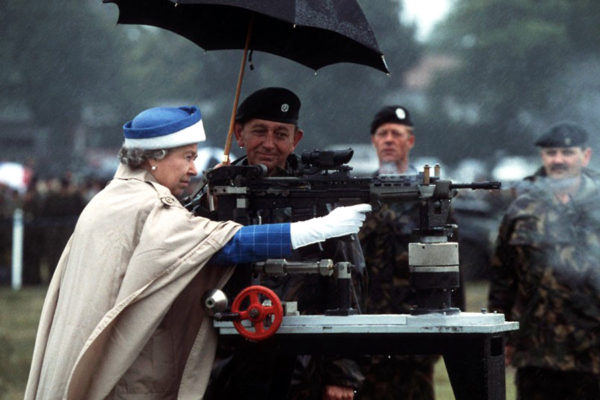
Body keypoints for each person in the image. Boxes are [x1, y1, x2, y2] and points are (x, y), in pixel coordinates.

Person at [24, 105, 371, 400]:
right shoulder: (148, 206)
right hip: (129, 370)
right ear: (154, 159)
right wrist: (320, 229)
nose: (194, 168)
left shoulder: (115, 198)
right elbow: (224, 244)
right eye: (187, 157)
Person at [205, 87, 364, 400]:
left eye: (280, 134)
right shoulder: (216, 192)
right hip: (227, 360)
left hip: (301, 365)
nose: (269, 144)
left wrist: (342, 373)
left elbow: (350, 280)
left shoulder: (316, 197)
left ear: (296, 140)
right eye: (259, 132)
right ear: (239, 134)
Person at [488, 122, 600, 400]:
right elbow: (503, 278)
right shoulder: (522, 209)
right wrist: (500, 341)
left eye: (566, 152)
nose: (558, 160)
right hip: (535, 354)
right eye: (551, 153)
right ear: (542, 157)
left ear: (585, 156)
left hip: (593, 353)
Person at [357, 105, 463, 400]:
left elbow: (453, 271)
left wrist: (452, 332)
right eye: (383, 133)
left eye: (396, 133)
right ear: (374, 141)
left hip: (417, 335)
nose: (389, 139)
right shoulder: (358, 197)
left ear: (410, 141)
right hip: (365, 333)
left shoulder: (431, 199)